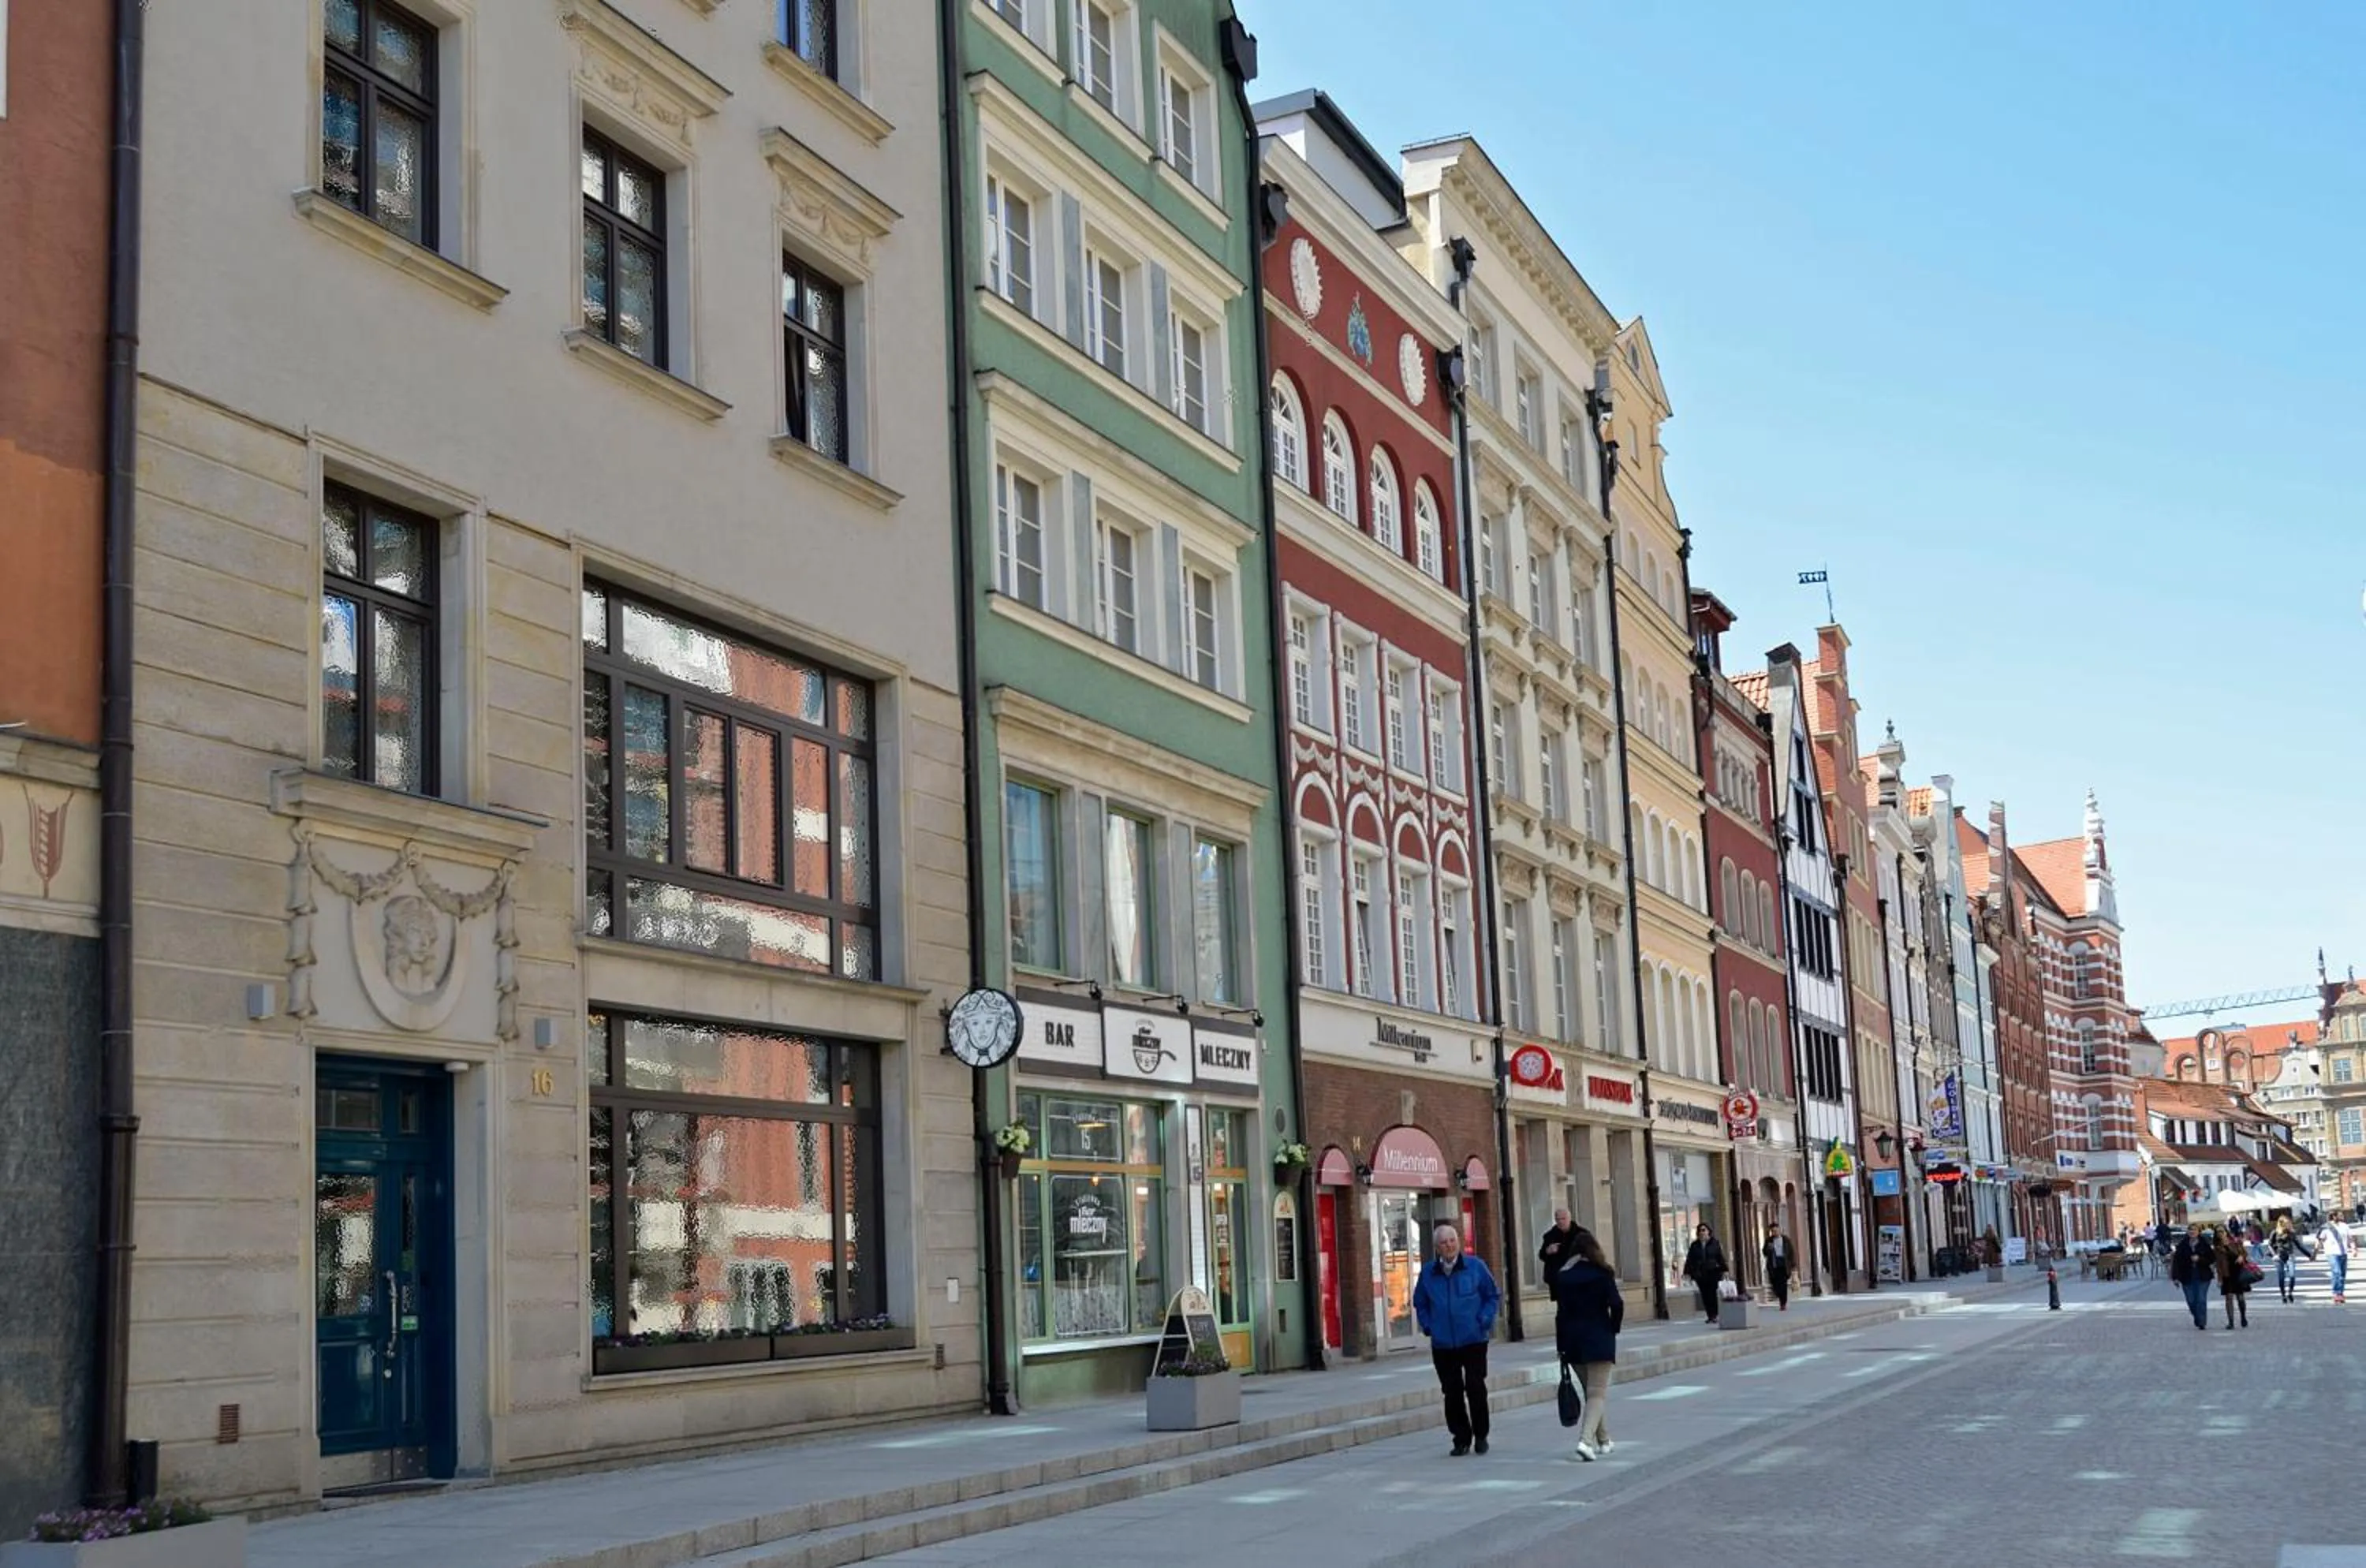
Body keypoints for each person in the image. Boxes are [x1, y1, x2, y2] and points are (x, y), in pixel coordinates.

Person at [1413, 1221, 1500, 1457]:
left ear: (1458, 1242)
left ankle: (1481, 1435)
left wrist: (1485, 1319)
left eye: (1452, 1241)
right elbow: (1420, 1302)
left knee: (1475, 1387)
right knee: (1451, 1392)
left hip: (1473, 1339)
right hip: (1443, 1343)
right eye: (1443, 1243)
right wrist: (1428, 1325)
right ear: (1437, 1248)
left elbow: (1492, 1295)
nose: (1449, 1246)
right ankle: (1461, 1438)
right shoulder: (1428, 1273)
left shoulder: (1475, 1267)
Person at [1552, 1228, 1625, 1463]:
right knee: (1597, 1393)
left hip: (1572, 1341)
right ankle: (1585, 1442)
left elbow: (1560, 1314)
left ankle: (1604, 1440)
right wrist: (1614, 1327)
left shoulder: (1563, 1277)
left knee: (1591, 1392)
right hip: (1598, 1337)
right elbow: (1617, 1303)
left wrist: (1560, 1344)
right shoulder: (1603, 1273)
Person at [1682, 1223, 1729, 1324]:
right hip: (1700, 1274)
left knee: (1712, 1294)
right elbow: (1690, 1259)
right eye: (1700, 1231)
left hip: (1713, 1273)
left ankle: (1714, 1315)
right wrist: (1687, 1272)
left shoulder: (1714, 1243)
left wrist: (1725, 1270)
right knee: (1705, 1295)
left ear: (1708, 1231)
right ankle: (1710, 1315)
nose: (1702, 1233)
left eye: (1704, 1230)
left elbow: (1720, 1257)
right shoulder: (1695, 1245)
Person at [2169, 1223, 2213, 1331]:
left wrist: (2200, 1259)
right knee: (2191, 1300)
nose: (2192, 1232)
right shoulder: (2182, 1245)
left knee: (2201, 1299)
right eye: (2190, 1230)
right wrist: (2175, 1277)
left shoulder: (2204, 1244)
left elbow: (2212, 1258)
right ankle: (2197, 1316)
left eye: (2194, 1230)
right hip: (2187, 1276)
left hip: (2202, 1275)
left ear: (2199, 1232)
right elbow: (2176, 1262)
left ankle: (2202, 1322)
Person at [2215, 1226, 2252, 1329]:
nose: (2220, 1234)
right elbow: (2218, 1264)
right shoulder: (2217, 1247)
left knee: (2240, 1297)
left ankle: (2243, 1317)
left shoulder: (2236, 1242)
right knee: (2229, 1298)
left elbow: (2245, 1253)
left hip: (2238, 1271)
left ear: (2226, 1232)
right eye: (2218, 1232)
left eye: (2222, 1231)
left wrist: (2241, 1257)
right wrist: (2219, 1279)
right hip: (2227, 1274)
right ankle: (2231, 1322)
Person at [1537, 1208, 1576, 1298]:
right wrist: (1548, 1251)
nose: (1561, 1222)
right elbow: (1542, 1255)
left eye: (1563, 1219)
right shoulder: (1550, 1236)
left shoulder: (1580, 1234)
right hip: (1557, 1279)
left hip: (1575, 1278)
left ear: (1569, 1219)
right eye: (1558, 1219)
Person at [1762, 1220, 1797, 1311]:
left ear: (1780, 1230)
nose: (1775, 1233)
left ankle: (1783, 1303)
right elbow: (1764, 1253)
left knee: (1783, 1285)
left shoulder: (1786, 1240)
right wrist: (1769, 1249)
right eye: (1773, 1231)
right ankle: (1778, 1294)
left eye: (1776, 1231)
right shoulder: (1769, 1240)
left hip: (1784, 1264)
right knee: (1775, 1284)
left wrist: (1793, 1266)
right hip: (1774, 1265)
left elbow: (1791, 1253)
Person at [2269, 1216, 2304, 1304]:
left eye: (2290, 1223)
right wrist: (2274, 1255)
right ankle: (2283, 1295)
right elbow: (2270, 1245)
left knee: (2292, 1276)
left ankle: (2290, 1293)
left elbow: (2299, 1246)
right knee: (2281, 1277)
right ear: (2282, 1224)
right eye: (2288, 1223)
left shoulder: (2291, 1233)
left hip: (2290, 1256)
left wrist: (2310, 1255)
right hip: (2279, 1257)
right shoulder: (2275, 1232)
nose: (2289, 1225)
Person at [2318, 1214, 2351, 1305]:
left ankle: (2340, 1293)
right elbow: (2320, 1239)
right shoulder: (2326, 1227)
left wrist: (2353, 1248)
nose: (2342, 1216)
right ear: (2334, 1216)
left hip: (2343, 1253)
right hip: (2331, 1253)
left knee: (2342, 1274)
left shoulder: (2345, 1226)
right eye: (2340, 1214)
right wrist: (2315, 1252)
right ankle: (2336, 1293)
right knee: (2337, 1272)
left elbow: (2350, 1238)